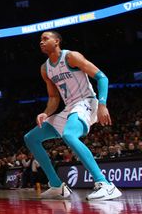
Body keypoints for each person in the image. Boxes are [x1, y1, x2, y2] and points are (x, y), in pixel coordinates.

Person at [23, 31, 122, 201]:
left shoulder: (71, 57)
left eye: (45, 39)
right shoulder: (45, 68)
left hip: (87, 102)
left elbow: (101, 77)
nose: (41, 42)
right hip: (70, 108)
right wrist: (45, 113)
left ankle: (105, 184)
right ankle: (56, 185)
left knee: (69, 134)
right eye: (40, 40)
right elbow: (54, 98)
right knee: (31, 137)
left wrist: (102, 104)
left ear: (57, 41)